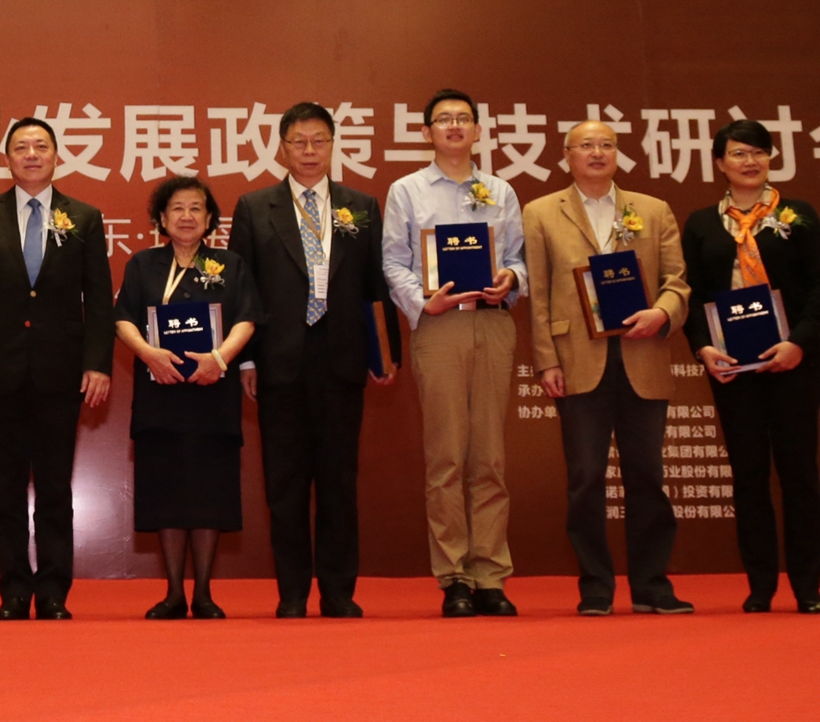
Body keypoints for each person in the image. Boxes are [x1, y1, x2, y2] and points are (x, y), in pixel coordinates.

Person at [230, 102, 400, 619]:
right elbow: (243, 290)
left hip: (342, 359)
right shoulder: (254, 207)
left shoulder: (360, 205)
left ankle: (338, 591)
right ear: (281, 148)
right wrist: (246, 361)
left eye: (319, 141)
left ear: (332, 145)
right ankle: (292, 593)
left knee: (338, 482)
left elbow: (374, 285)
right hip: (279, 361)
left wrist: (384, 352)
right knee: (284, 484)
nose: (309, 151)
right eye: (299, 142)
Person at [524, 121, 694, 616]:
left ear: (618, 154)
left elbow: (677, 281)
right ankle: (595, 586)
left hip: (643, 354)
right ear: (567, 155)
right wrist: (546, 360)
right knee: (585, 478)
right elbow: (538, 293)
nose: (597, 153)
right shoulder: (541, 212)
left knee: (648, 475)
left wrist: (662, 312)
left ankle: (652, 585)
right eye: (586, 146)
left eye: (606, 145)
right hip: (577, 358)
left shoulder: (652, 209)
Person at [0, 116, 114, 620]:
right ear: (8, 159)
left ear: (56, 156)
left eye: (41, 146)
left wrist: (98, 364)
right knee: (4, 487)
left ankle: (55, 591)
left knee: (55, 487)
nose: (32, 154)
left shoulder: (84, 217)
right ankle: (14, 590)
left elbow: (99, 300)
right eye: (21, 147)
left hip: (60, 371)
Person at [382, 88, 527, 618]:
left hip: (492, 323)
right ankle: (455, 577)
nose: (454, 126)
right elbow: (393, 261)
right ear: (426, 132)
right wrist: (425, 301)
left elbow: (519, 258)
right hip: (440, 327)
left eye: (463, 118)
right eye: (443, 119)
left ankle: (491, 574)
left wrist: (511, 278)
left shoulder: (500, 190)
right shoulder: (407, 190)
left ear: (478, 130)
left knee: (489, 456)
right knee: (446, 456)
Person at [683, 119, 820, 614]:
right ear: (720, 163)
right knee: (748, 475)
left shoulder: (797, 215)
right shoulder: (702, 223)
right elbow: (693, 296)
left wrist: (797, 343)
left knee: (798, 472)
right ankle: (760, 585)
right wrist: (703, 349)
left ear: (771, 158)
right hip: (733, 367)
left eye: (759, 152)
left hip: (793, 362)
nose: (750, 162)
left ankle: (807, 585)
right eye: (738, 153)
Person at [115, 176, 257, 619]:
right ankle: (174, 593)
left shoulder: (230, 264)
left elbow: (247, 319)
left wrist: (220, 358)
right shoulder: (143, 264)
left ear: (210, 218)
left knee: (209, 491)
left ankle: (205, 594)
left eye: (196, 208)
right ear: (161, 218)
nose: (187, 216)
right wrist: (148, 354)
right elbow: (123, 319)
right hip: (160, 393)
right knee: (168, 492)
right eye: (177, 208)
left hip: (213, 394)